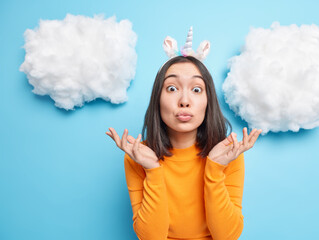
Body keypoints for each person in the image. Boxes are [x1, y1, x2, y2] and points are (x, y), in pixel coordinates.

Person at [106, 29, 262, 240]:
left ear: (208, 102)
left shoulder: (228, 154)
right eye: (172, 88)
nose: (184, 100)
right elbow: (151, 237)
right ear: (157, 99)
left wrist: (215, 169)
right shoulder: (138, 155)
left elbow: (228, 236)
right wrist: (152, 169)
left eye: (196, 90)